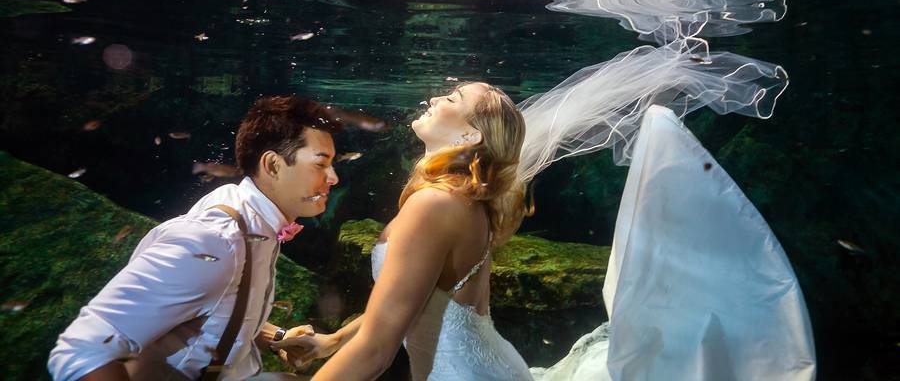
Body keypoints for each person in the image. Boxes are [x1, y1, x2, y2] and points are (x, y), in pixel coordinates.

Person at [273, 31, 816, 380]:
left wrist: (345, 349)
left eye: (454, 98)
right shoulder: (464, 200)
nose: (438, 97)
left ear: (469, 135)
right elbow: (408, 302)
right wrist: (329, 341)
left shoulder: (436, 206)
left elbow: (378, 348)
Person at [48, 96, 343, 381]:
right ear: (273, 165)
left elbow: (215, 308)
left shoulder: (254, 219)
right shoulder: (216, 240)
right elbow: (81, 349)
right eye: (321, 163)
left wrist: (276, 337)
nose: (333, 178)